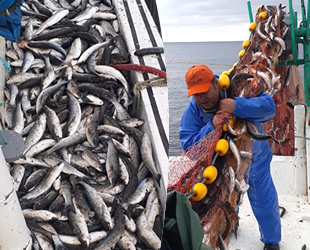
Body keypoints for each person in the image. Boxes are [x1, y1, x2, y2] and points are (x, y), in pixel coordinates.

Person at [179, 65, 281, 250]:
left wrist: (237, 105)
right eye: (196, 94)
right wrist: (211, 125)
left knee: (263, 200)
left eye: (204, 92)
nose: (201, 98)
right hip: (222, 169)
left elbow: (269, 108)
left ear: (216, 84)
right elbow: (191, 149)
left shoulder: (239, 88)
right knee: (227, 202)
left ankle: (271, 240)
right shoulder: (193, 110)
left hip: (254, 160)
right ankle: (233, 223)